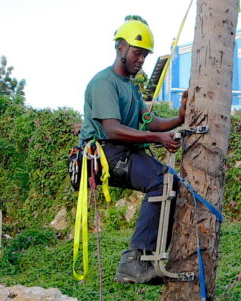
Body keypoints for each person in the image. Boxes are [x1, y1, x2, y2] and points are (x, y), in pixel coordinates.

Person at [78, 17, 188, 284]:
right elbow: (113, 129)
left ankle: (152, 256)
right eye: (137, 53)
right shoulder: (104, 83)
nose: (141, 60)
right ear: (120, 48)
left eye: (145, 55)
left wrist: (179, 117)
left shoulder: (131, 88)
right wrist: (157, 138)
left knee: (171, 182)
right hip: (106, 152)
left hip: (124, 151)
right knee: (161, 181)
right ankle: (134, 260)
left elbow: (150, 121)